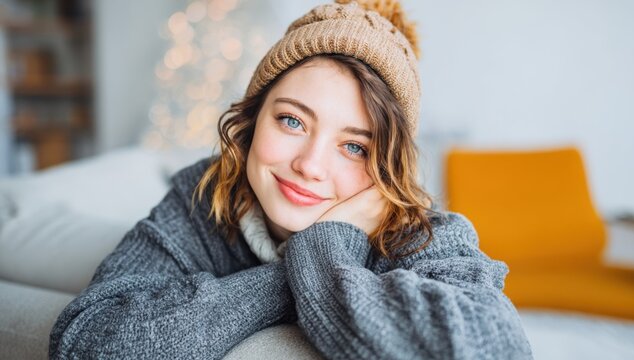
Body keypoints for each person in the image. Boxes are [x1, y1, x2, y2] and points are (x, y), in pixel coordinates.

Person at [49, 0, 534, 359]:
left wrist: (325, 244)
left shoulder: (424, 233)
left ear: (388, 165)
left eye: (354, 147)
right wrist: (293, 274)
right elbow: (89, 343)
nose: (310, 165)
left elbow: (492, 350)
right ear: (253, 118)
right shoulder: (201, 198)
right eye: (293, 121)